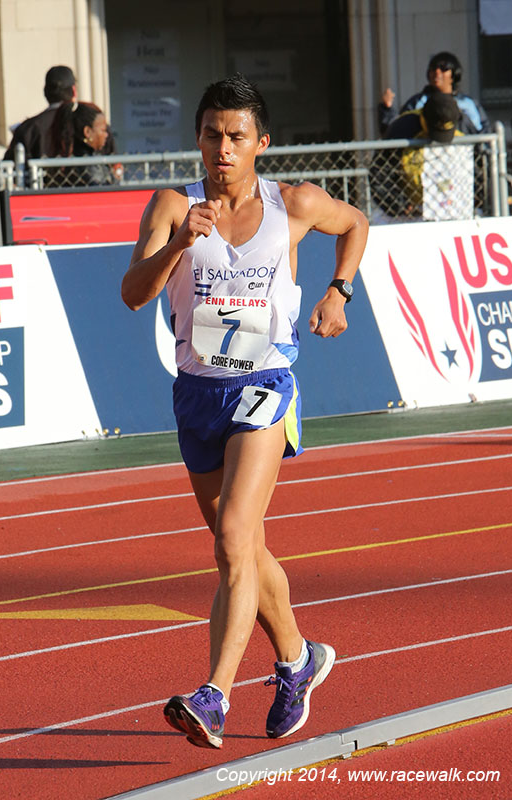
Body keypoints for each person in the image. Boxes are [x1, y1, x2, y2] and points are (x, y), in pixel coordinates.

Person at [121, 74, 369, 749]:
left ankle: (214, 694)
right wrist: (177, 244)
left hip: (264, 384)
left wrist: (338, 292)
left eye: (235, 137)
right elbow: (132, 295)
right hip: (196, 393)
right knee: (245, 550)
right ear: (196, 139)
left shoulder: (293, 202)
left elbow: (355, 224)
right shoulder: (173, 205)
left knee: (232, 536)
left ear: (261, 142)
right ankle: (297, 659)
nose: (221, 148)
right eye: (210, 135)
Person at [371, 92, 467, 219]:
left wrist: (475, 197)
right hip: (411, 212)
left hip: (454, 207)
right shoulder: (403, 126)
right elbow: (379, 172)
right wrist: (400, 205)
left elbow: (478, 164)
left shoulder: (463, 123)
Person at [378, 51, 490, 136]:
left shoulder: (468, 103)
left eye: (443, 68)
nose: (437, 73)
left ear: (454, 74)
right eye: (433, 68)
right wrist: (387, 110)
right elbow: (396, 130)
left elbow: (484, 134)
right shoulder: (418, 101)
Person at [3, 66, 77, 162]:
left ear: (45, 92)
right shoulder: (86, 123)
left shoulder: (28, 128)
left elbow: (8, 165)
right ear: (74, 91)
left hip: (37, 177)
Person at [49, 101, 118, 186]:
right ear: (87, 132)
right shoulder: (89, 166)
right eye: (103, 130)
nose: (106, 135)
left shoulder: (72, 157)